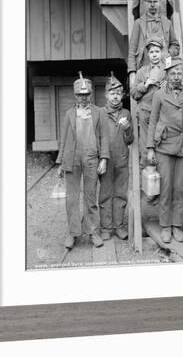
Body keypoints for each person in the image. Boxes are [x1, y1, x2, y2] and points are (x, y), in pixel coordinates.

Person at [55, 72, 109, 250]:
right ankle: (72, 232)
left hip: (92, 159)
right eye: (80, 95)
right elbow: (63, 139)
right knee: (71, 199)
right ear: (75, 95)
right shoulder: (69, 114)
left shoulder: (99, 112)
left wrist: (104, 159)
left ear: (91, 94)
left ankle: (92, 231)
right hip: (72, 160)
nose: (83, 98)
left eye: (86, 95)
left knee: (90, 197)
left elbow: (104, 137)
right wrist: (60, 162)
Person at [146, 57, 183, 243]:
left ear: (182, 75)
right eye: (172, 73)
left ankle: (177, 225)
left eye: (179, 73)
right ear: (166, 74)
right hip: (164, 147)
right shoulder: (158, 95)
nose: (175, 77)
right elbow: (152, 121)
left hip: (182, 146)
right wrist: (150, 148)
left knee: (180, 188)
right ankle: (165, 226)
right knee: (165, 188)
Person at [99, 73, 134, 241]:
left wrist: (127, 129)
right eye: (112, 93)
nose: (115, 96)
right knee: (105, 194)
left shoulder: (126, 113)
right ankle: (106, 227)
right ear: (106, 95)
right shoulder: (100, 114)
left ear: (122, 95)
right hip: (105, 160)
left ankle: (118, 226)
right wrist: (101, 158)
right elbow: (96, 139)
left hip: (121, 159)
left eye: (118, 93)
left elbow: (130, 140)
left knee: (120, 193)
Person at [128, 0, 179, 84]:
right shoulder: (138, 23)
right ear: (145, 3)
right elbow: (132, 49)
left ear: (160, 2)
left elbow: (175, 45)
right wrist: (132, 72)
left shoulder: (167, 23)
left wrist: (168, 53)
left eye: (155, 1)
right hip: (144, 68)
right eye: (149, 2)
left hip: (164, 69)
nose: (152, 5)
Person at [130, 37, 166, 170]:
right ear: (148, 54)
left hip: (163, 113)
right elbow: (133, 93)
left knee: (162, 141)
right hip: (146, 114)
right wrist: (145, 85)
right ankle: (146, 173)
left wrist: (167, 86)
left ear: (162, 52)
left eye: (157, 51)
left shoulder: (167, 70)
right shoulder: (142, 72)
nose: (154, 54)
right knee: (145, 143)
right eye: (151, 52)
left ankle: (162, 170)